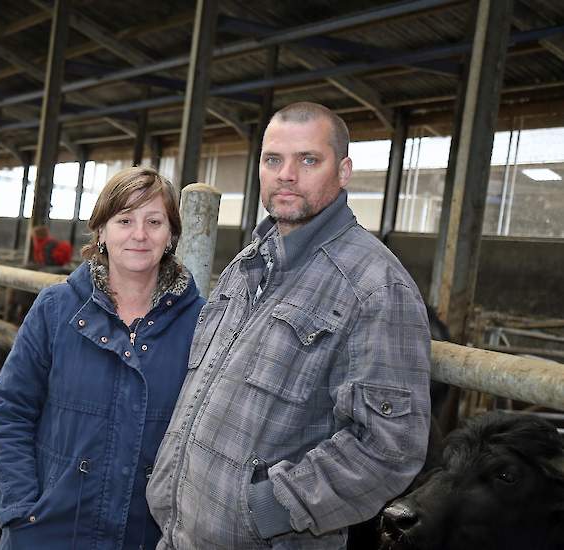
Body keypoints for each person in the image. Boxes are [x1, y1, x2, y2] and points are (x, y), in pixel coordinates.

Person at [146, 102, 432, 549]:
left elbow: (390, 447)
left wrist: (265, 509)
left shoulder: (374, 287)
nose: (286, 174)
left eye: (309, 160)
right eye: (273, 160)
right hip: (177, 535)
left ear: (343, 171)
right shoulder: (248, 263)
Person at [0, 166, 205, 549]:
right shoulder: (55, 309)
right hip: (50, 530)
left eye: (154, 221)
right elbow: (11, 411)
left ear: (171, 235)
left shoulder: (202, 323)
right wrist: (22, 509)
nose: (139, 234)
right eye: (124, 220)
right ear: (101, 231)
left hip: (147, 535)